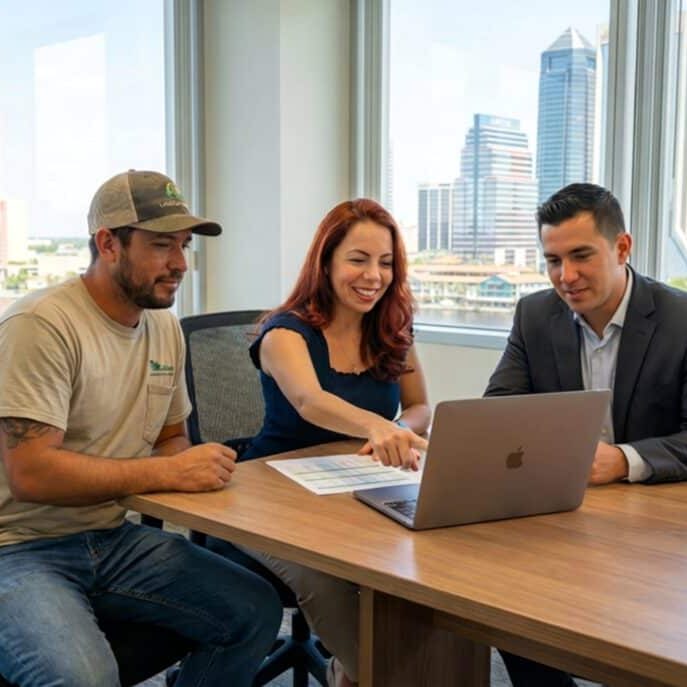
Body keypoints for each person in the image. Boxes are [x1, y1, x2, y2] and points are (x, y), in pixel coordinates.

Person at [0, 170, 282, 687]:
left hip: (110, 537)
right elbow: (32, 474)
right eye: (160, 245)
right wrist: (166, 472)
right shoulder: (41, 325)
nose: (180, 263)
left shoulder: (162, 325)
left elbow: (172, 441)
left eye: (184, 245)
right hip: (17, 546)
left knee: (254, 611)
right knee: (84, 678)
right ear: (108, 243)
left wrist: (193, 467)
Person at [210, 198, 431, 687]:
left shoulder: (394, 326)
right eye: (358, 259)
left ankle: (382, 668)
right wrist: (377, 425)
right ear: (326, 261)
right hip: (267, 498)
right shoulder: (284, 332)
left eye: (386, 262)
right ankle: (363, 672)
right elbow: (310, 401)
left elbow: (420, 407)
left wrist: (400, 431)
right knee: (324, 577)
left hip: (352, 488)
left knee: (429, 560)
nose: (374, 275)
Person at [484, 182, 687, 687]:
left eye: (580, 256)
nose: (565, 277)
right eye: (552, 260)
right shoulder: (534, 315)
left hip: (656, 523)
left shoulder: (681, 319)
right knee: (499, 600)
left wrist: (621, 460)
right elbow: (499, 410)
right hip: (566, 512)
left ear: (622, 248)